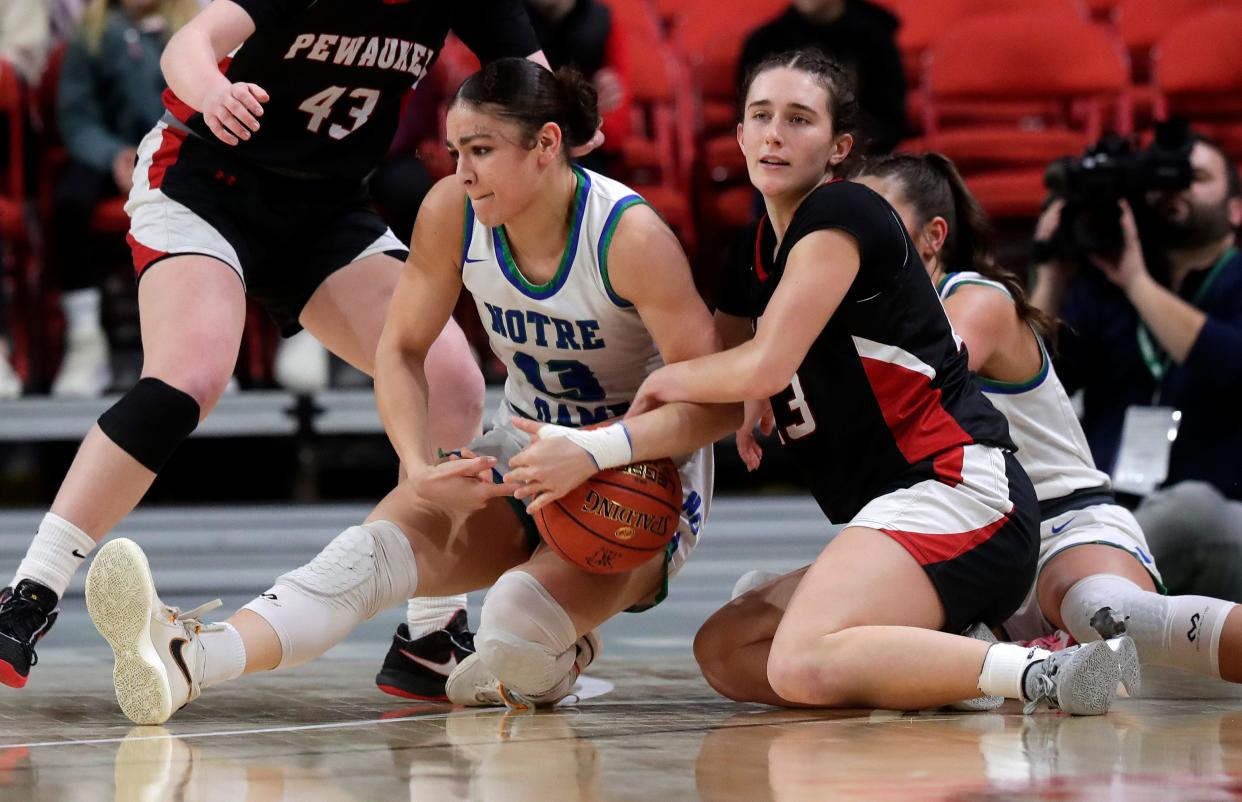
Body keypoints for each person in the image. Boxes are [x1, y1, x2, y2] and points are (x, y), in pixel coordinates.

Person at [83, 57, 737, 725]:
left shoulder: (629, 237)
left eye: (481, 150)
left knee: (511, 628)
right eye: (456, 151)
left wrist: (595, 452)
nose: (463, 171)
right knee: (365, 558)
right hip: (526, 451)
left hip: (642, 476)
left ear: (545, 145)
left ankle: (561, 654)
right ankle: (192, 659)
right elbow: (399, 350)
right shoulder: (454, 210)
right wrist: (420, 464)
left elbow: (716, 402)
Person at [0, 0, 549, 690]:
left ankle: (432, 636)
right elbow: (190, 42)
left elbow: (536, 88)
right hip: (206, 183)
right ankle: (30, 592)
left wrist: (565, 137)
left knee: (455, 384)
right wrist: (214, 91)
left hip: (326, 208)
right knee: (191, 376)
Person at [634, 48, 1136, 715]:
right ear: (740, 136)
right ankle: (957, 667)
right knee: (726, 652)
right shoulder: (753, 252)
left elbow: (760, 365)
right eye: (761, 116)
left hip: (961, 491)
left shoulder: (845, 214)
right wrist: (671, 417)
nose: (775, 133)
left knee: (798, 660)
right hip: (898, 510)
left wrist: (655, 399)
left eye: (798, 118)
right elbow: (726, 383)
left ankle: (1045, 670)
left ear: (840, 147)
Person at [850, 151, 1242, 690]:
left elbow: (918, 379)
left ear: (932, 236)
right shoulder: (857, 329)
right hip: (960, 546)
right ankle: (1015, 659)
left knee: (1109, 612)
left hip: (1060, 525)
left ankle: (1005, 653)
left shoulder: (974, 296)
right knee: (772, 613)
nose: (852, 231)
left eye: (874, 214)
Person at [1030, 136, 1242, 602]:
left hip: (1216, 516)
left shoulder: (1231, 277)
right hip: (1104, 508)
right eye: (1162, 182)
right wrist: (1053, 276)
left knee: (1193, 512)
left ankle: (1067, 602)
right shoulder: (1106, 285)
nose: (1175, 191)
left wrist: (1137, 282)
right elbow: (1035, 387)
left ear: (1235, 210)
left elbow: (1230, 365)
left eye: (1196, 178)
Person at [49, 0, 199, 398]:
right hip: (109, 155)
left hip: (178, 151)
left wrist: (160, 151)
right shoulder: (92, 36)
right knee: (68, 202)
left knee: (204, 202)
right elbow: (76, 116)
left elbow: (203, 102)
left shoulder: (192, 31)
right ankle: (85, 342)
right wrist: (113, 154)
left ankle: (194, 343)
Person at [736, 0, 906, 154]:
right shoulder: (764, 43)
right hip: (781, 158)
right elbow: (747, 114)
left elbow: (889, 119)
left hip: (859, 157)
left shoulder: (874, 38)